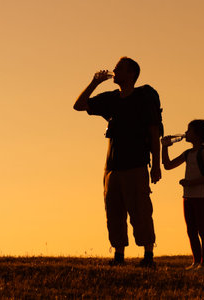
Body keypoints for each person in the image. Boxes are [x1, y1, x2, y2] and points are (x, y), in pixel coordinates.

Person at [73, 57, 162, 267]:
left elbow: (154, 131)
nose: (113, 70)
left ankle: (148, 256)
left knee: (140, 211)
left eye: (119, 68)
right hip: (112, 167)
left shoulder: (143, 97)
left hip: (136, 164)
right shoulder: (111, 99)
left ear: (132, 73)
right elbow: (79, 105)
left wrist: (156, 165)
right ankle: (119, 255)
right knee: (113, 211)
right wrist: (94, 82)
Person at [161, 119, 204, 271]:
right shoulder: (188, 154)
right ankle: (196, 262)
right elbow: (168, 165)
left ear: (197, 134)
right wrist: (164, 147)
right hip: (188, 196)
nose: (185, 134)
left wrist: (190, 183)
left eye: (188, 131)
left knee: (202, 230)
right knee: (191, 230)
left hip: (200, 196)